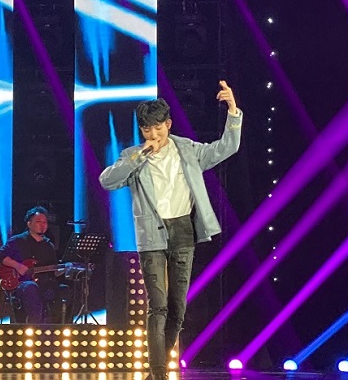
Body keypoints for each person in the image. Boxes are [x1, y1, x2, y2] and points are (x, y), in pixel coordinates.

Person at [99, 81, 242, 380]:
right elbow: (107, 181)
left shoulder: (187, 149)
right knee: (158, 306)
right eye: (146, 130)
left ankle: (157, 370)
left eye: (158, 128)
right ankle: (159, 373)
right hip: (152, 234)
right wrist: (139, 156)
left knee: (177, 309)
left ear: (168, 124)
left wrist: (232, 111)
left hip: (183, 231)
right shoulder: (132, 155)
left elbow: (226, 148)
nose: (153, 135)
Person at [0, 206, 68, 323]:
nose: (42, 225)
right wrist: (17, 266)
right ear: (29, 224)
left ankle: (56, 326)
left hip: (44, 283)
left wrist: (64, 269)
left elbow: (53, 271)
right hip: (21, 284)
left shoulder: (49, 246)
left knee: (64, 290)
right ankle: (35, 326)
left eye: (45, 222)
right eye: (38, 222)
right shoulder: (17, 240)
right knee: (31, 287)